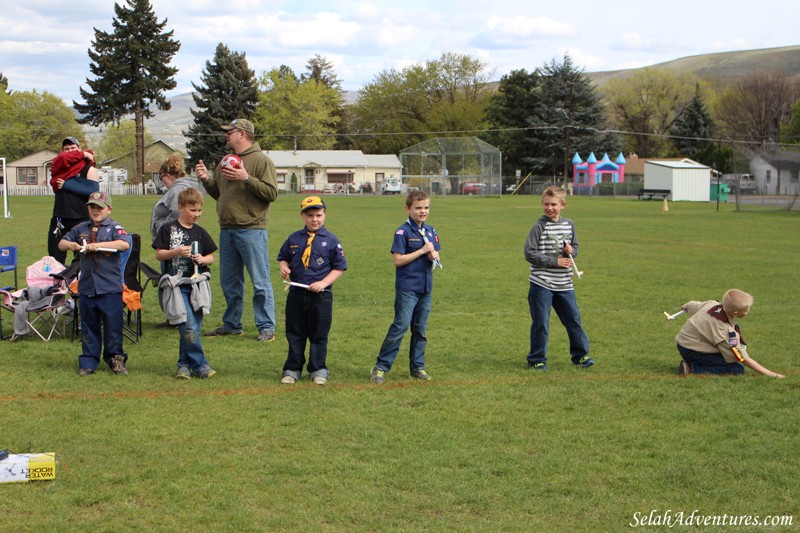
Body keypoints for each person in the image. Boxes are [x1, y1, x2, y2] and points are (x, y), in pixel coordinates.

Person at [194, 119, 279, 342]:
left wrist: (246, 178)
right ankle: (232, 324)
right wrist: (206, 180)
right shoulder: (225, 161)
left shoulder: (261, 160)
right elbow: (219, 194)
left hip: (252, 229)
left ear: (242, 134)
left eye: (229, 132)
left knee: (260, 281)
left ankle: (266, 327)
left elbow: (271, 193)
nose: (226, 135)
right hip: (227, 229)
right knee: (230, 282)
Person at [371, 191, 441, 384]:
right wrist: (422, 251)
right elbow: (398, 260)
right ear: (407, 208)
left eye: (426, 208)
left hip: (425, 288)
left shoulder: (431, 231)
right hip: (408, 288)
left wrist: (433, 256)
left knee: (421, 330)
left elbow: (434, 253)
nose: (423, 211)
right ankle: (380, 367)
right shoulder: (402, 232)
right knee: (400, 326)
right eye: (418, 208)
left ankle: (417, 367)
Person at [58, 191, 131, 376]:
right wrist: (71, 245)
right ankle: (89, 361)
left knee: (113, 327)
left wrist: (97, 246)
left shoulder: (114, 227)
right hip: (87, 287)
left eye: (100, 207)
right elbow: (61, 243)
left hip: (110, 288)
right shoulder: (81, 228)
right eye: (92, 207)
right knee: (89, 327)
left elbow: (124, 245)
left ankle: (116, 359)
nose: (95, 210)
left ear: (109, 209)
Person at [277, 196, 347, 386]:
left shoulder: (331, 240)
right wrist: (284, 267)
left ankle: (318, 369)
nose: (314, 219)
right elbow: (283, 258)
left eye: (318, 215)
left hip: (321, 297)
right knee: (295, 332)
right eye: (309, 215)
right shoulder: (294, 238)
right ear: (302, 216)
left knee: (319, 334)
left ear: (324, 215)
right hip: (297, 294)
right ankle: (292, 369)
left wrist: (323, 283)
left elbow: (339, 267)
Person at [523, 185, 594, 371]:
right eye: (546, 204)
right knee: (541, 323)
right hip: (541, 283)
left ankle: (580, 356)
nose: (550, 208)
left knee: (573, 320)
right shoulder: (539, 226)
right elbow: (529, 253)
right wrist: (555, 261)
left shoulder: (569, 224)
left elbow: (575, 248)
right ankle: (537, 359)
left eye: (554, 204)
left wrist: (571, 251)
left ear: (563, 204)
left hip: (565, 284)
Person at [153, 188, 218, 379]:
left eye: (199, 211)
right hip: (176, 285)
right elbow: (159, 254)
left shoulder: (200, 232)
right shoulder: (168, 229)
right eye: (192, 210)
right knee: (187, 325)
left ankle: (183, 365)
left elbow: (211, 257)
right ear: (181, 207)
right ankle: (200, 365)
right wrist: (176, 252)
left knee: (193, 328)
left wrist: (202, 259)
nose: (196, 214)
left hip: (197, 284)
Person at [675, 289, 784, 378]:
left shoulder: (713, 304)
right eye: (747, 309)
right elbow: (741, 358)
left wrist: (686, 306)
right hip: (692, 350)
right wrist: (770, 373)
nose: (748, 311)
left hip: (683, 342)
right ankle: (691, 368)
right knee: (736, 369)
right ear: (735, 313)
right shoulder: (725, 332)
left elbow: (694, 305)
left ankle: (694, 362)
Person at [48, 137, 100, 264]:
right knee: (55, 258)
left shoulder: (89, 169)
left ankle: (78, 283)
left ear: (79, 149)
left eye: (73, 148)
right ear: (62, 151)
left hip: (82, 219)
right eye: (67, 149)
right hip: (60, 219)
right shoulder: (59, 169)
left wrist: (68, 185)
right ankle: (59, 283)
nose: (70, 151)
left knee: (83, 257)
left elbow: (93, 193)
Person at [150, 153, 196, 242]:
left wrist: (160, 227)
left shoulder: (177, 191)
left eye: (161, 177)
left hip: (175, 241)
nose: (161, 181)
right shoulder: (181, 188)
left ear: (167, 176)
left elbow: (177, 215)